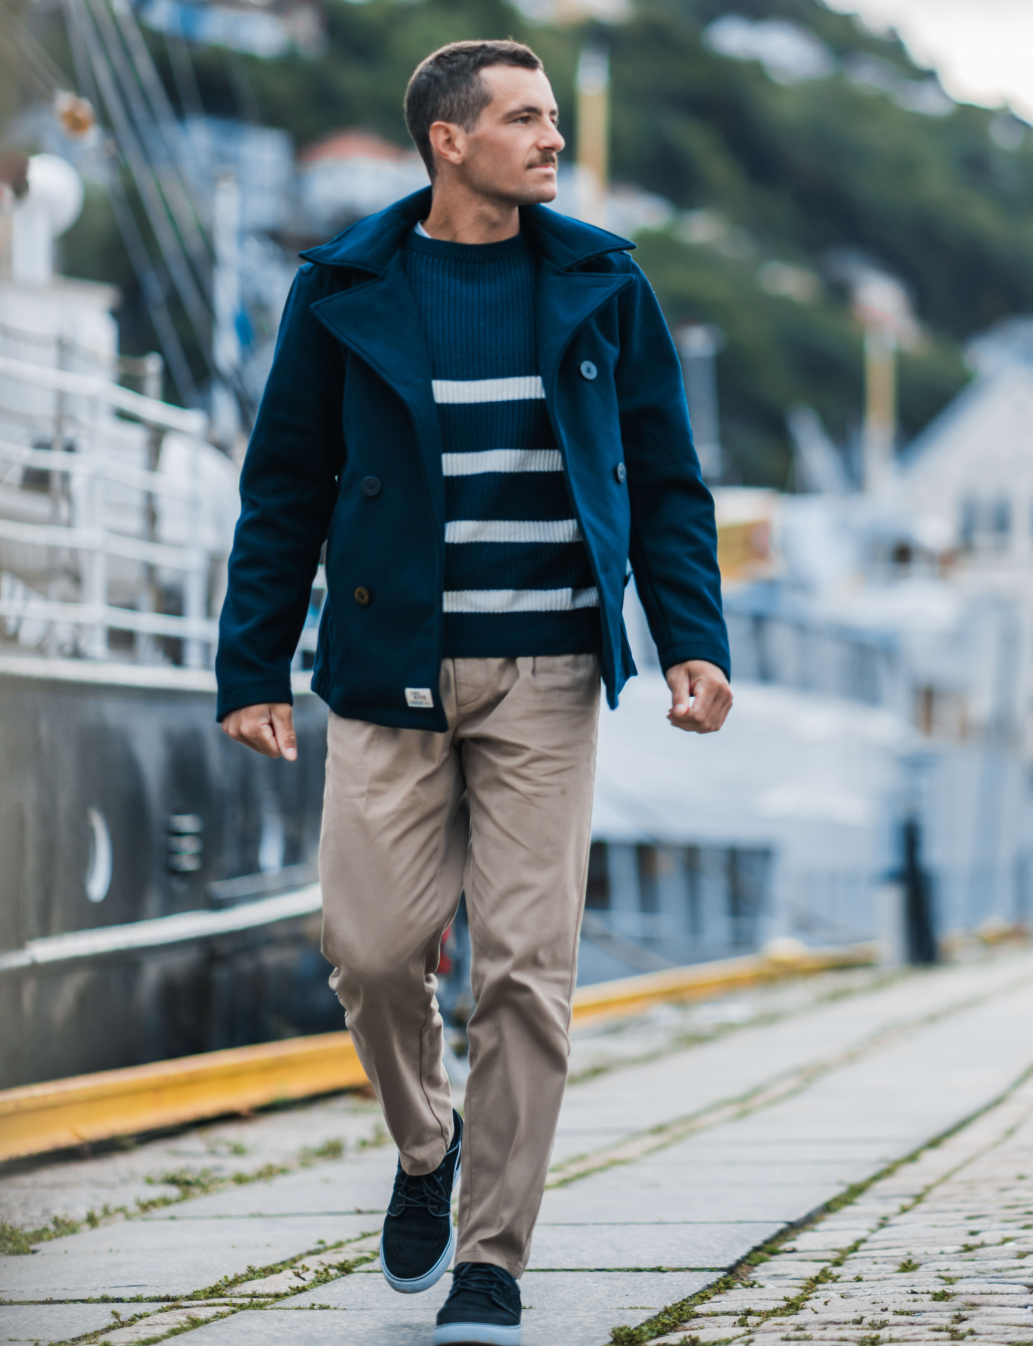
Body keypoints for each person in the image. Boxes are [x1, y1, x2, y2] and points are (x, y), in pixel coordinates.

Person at [216, 38, 732, 1346]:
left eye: (551, 116)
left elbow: (667, 479)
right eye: (523, 119)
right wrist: (252, 664)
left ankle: (492, 1260)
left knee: (524, 975)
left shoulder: (604, 280)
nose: (552, 138)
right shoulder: (344, 286)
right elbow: (283, 486)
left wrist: (691, 638)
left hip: (549, 676)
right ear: (448, 141)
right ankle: (425, 1144)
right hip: (384, 666)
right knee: (371, 951)